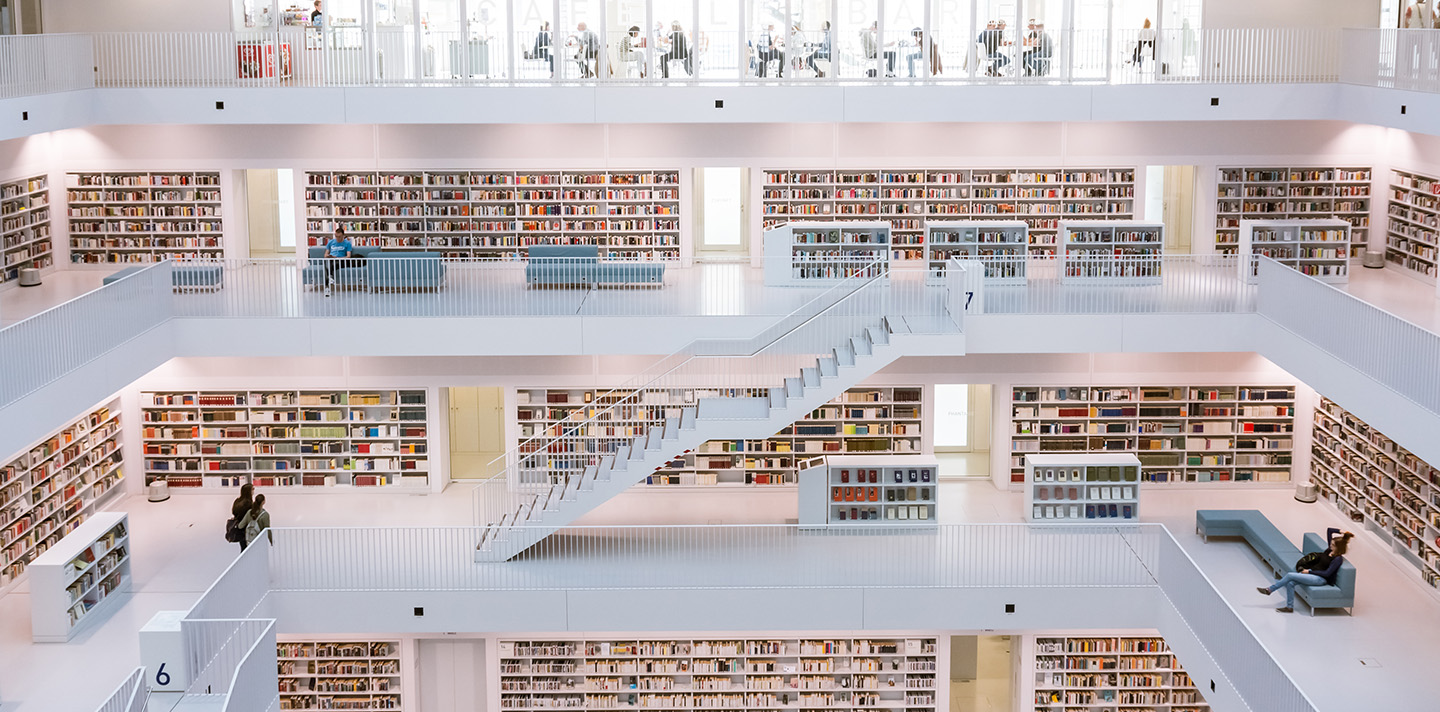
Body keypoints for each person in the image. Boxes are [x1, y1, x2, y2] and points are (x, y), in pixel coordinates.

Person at [1257, 528, 1354, 613]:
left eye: (1333, 545)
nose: (1330, 545)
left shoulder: (1337, 559)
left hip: (1320, 579)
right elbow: (1329, 530)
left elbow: (1327, 573)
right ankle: (1289, 607)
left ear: (1338, 547)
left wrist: (1309, 572)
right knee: (1290, 583)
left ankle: (1269, 590)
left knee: (1290, 575)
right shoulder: (1330, 550)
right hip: (1313, 574)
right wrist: (1342, 532)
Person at [323, 225, 356, 297]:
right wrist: (329, 256)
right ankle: (330, 280)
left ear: (343, 236)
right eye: (336, 236)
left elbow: (348, 256)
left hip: (341, 260)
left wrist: (338, 258)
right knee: (328, 263)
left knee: (331, 265)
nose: (337, 238)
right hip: (331, 259)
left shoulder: (347, 243)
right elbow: (325, 255)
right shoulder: (331, 242)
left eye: (339, 237)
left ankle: (328, 283)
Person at [228, 483, 254, 551]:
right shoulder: (248, 503)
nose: (253, 491)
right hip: (246, 528)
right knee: (248, 549)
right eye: (252, 489)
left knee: (243, 547)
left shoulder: (237, 501)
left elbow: (233, 512)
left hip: (239, 526)